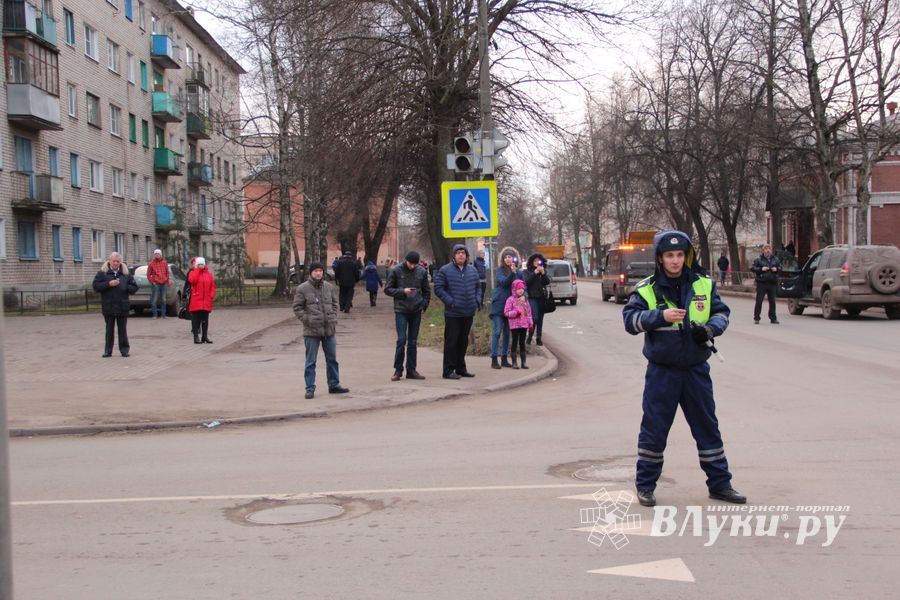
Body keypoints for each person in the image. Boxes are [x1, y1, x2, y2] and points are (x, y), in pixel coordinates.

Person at [623, 230, 745, 507]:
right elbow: (630, 321)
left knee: (707, 428)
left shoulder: (704, 284)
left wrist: (710, 329)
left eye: (680, 255)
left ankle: (720, 484)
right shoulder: (646, 288)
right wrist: (660, 316)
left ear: (686, 256)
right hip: (662, 372)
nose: (675, 261)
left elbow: (721, 313)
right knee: (654, 430)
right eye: (670, 255)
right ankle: (645, 486)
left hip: (695, 370)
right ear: (660, 258)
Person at [292, 261, 349, 399]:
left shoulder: (329, 287)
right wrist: (308, 319)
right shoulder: (302, 288)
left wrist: (333, 316)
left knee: (332, 359)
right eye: (315, 271)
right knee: (311, 361)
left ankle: (334, 384)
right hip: (311, 331)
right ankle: (310, 388)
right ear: (311, 273)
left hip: (329, 330)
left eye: (320, 271)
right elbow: (297, 307)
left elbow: (335, 304)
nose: (318, 273)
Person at [433, 244, 481, 379]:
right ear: (454, 256)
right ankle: (448, 370)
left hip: (468, 311)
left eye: (463, 253)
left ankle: (460, 368)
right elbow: (438, 288)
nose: (461, 255)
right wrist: (450, 301)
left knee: (463, 341)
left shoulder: (472, 270)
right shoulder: (445, 270)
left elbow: (478, 287)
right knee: (451, 342)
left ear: (466, 256)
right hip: (453, 313)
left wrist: (477, 300)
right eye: (458, 253)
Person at [384, 251, 431, 381]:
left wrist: (424, 304)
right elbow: (387, 289)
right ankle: (398, 370)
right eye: (410, 264)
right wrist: (402, 291)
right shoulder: (396, 270)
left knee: (413, 341)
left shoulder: (421, 272)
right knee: (401, 339)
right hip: (401, 310)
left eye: (415, 264)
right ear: (406, 261)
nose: (412, 266)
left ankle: (411, 369)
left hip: (416, 309)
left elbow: (427, 290)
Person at [92, 252, 138, 357]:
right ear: (110, 261)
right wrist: (108, 284)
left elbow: (134, 287)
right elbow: (95, 286)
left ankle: (124, 350)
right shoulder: (103, 273)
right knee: (109, 330)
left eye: (118, 261)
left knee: (122, 330)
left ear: (120, 262)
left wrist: (125, 286)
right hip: (109, 306)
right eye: (114, 261)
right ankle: (108, 351)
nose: (116, 263)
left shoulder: (125, 273)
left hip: (122, 306)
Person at [489, 250, 523, 369]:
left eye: (510, 257)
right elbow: (504, 283)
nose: (508, 259)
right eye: (506, 257)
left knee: (507, 333)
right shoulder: (500, 271)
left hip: (511, 308)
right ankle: (494, 359)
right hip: (499, 305)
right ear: (503, 259)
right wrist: (512, 273)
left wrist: (524, 296)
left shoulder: (519, 273)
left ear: (514, 259)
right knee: (497, 332)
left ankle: (504, 358)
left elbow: (523, 287)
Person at [504, 279, 533, 370]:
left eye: (522, 289)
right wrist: (515, 313)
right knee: (514, 342)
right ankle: (514, 362)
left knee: (522, 343)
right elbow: (506, 312)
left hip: (524, 325)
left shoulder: (525, 300)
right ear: (514, 289)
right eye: (519, 289)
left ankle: (523, 362)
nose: (521, 290)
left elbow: (529, 313)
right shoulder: (510, 300)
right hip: (514, 325)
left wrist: (530, 323)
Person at [751, 244, 782, 325]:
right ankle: (757, 318)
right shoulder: (759, 259)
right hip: (762, 283)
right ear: (763, 250)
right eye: (766, 249)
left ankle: (773, 318)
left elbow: (781, 268)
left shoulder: (775, 259)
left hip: (772, 283)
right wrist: (761, 269)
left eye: (769, 249)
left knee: (772, 301)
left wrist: (776, 269)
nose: (768, 250)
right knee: (759, 301)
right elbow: (753, 268)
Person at [524, 253, 551, 346]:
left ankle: (539, 337)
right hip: (532, 297)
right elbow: (526, 282)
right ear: (531, 262)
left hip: (541, 298)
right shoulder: (527, 272)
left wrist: (543, 273)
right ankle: (530, 335)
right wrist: (534, 273)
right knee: (534, 318)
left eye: (538, 260)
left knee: (540, 319)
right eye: (535, 260)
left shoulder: (543, 271)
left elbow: (547, 282)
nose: (536, 262)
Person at [188, 256, 216, 344]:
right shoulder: (193, 273)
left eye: (202, 264)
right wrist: (197, 270)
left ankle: (204, 337)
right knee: (196, 320)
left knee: (205, 320)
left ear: (204, 264)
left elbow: (212, 286)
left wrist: (211, 295)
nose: (201, 266)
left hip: (206, 301)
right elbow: (193, 281)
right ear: (196, 265)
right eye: (199, 264)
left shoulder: (209, 274)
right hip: (196, 301)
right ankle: (196, 337)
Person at [147, 249, 171, 319]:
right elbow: (148, 274)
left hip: (163, 283)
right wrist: (152, 282)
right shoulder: (151, 263)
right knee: (154, 299)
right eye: (155, 254)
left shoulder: (164, 263)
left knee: (163, 299)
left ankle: (163, 315)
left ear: (160, 255)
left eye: (158, 254)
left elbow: (167, 273)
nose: (157, 255)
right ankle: (155, 315)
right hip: (156, 283)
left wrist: (167, 281)